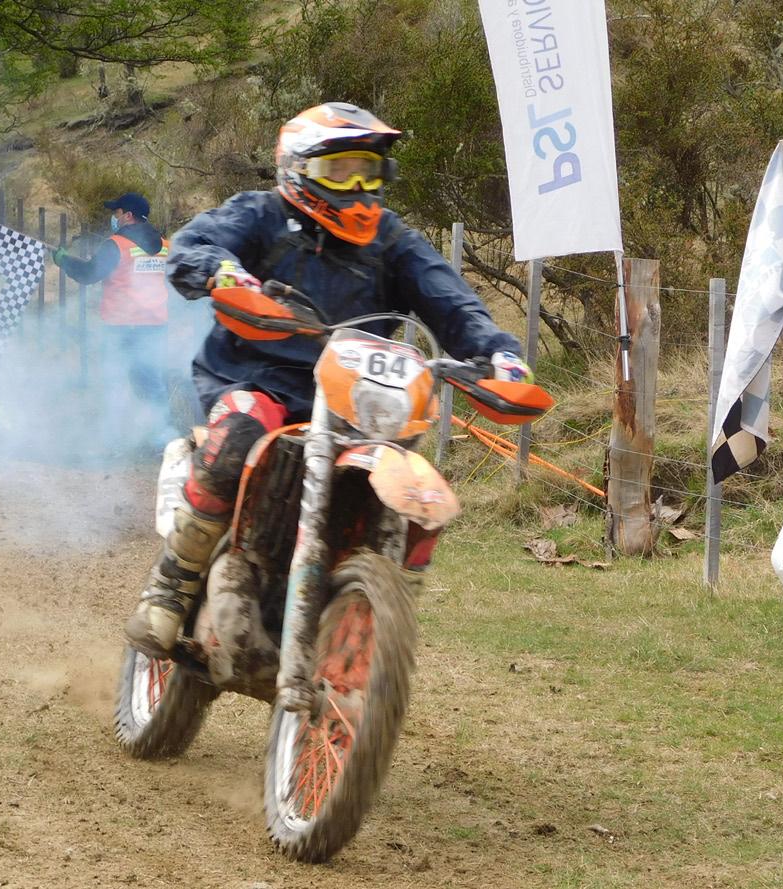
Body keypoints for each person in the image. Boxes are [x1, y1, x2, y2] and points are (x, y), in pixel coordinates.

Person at [124, 102, 533, 657]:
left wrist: (499, 356)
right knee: (239, 435)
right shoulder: (260, 215)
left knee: (412, 482)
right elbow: (194, 245)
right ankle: (171, 585)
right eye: (340, 171)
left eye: (369, 171)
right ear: (299, 170)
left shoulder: (392, 240)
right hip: (258, 378)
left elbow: (452, 302)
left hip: (356, 402)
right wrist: (224, 273)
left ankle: (375, 616)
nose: (358, 186)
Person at [53, 191, 172, 448]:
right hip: (154, 325)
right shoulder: (165, 245)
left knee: (114, 382)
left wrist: (64, 260)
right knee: (152, 382)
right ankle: (163, 439)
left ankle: (114, 442)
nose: (113, 217)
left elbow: (89, 274)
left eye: (116, 212)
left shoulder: (116, 245)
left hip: (121, 326)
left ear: (127, 215)